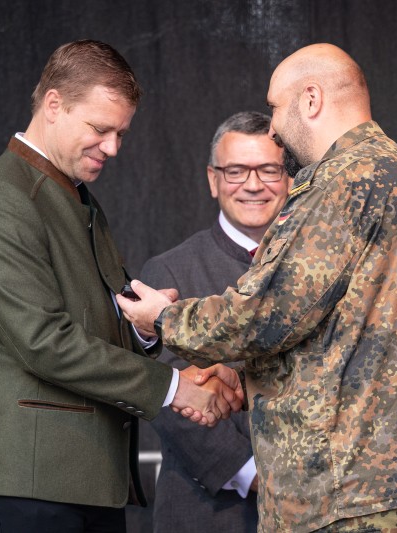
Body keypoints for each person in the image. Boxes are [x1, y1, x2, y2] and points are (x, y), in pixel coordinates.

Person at [118, 43, 397, 532]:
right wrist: (248, 383)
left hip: (352, 487)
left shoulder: (344, 181)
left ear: (310, 100)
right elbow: (357, 339)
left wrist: (162, 321)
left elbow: (267, 313)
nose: (272, 127)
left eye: (274, 107)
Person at [0, 40, 241, 533]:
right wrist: (177, 386)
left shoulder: (75, 199)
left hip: (80, 484)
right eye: (101, 129)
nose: (113, 147)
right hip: (19, 487)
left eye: (121, 133)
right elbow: (44, 342)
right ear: (53, 105)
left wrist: (148, 328)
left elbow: (98, 325)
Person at [142, 111, 290, 533]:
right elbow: (167, 393)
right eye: (236, 171)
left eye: (269, 170)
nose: (253, 184)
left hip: (315, 511)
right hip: (208, 514)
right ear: (213, 179)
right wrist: (255, 474)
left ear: (291, 178)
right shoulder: (169, 273)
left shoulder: (317, 269)